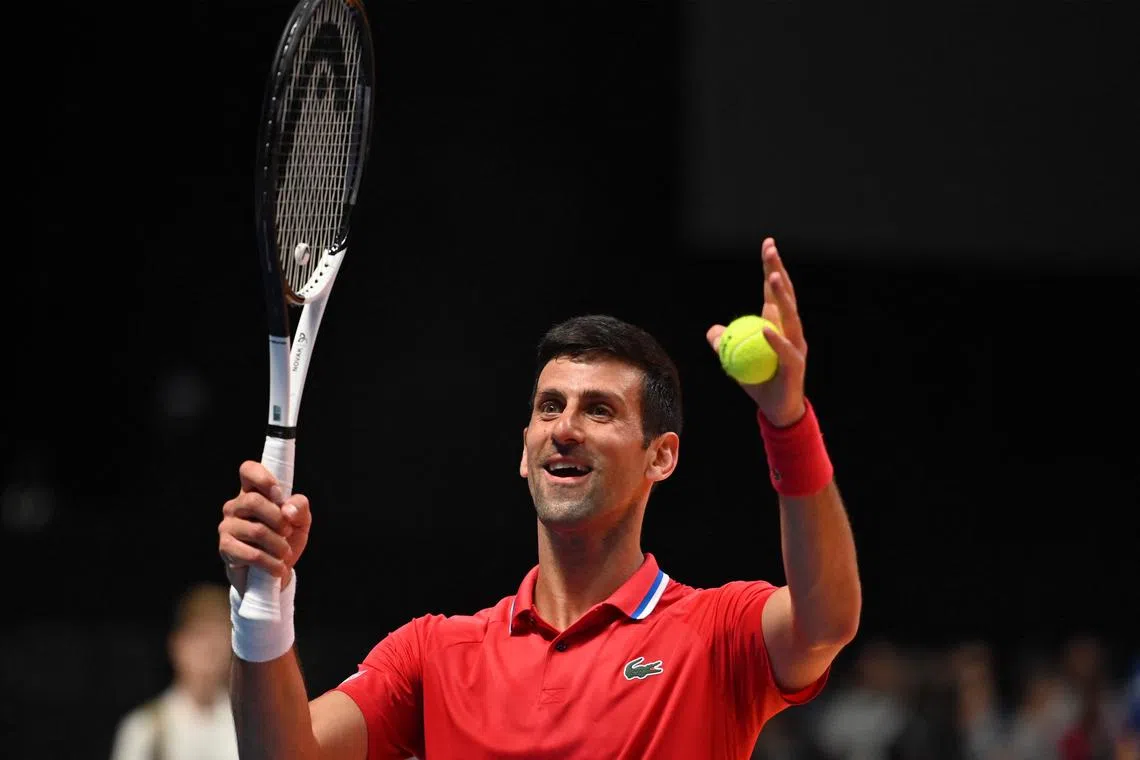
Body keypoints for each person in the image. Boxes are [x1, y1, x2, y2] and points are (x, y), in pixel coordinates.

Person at [217, 237, 863, 759]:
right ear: (524, 452)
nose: (565, 428)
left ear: (660, 456)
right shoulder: (433, 655)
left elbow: (827, 620)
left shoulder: (715, 635)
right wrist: (261, 602)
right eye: (550, 407)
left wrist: (788, 423)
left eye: (599, 410)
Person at [110, 583, 239, 760]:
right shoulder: (146, 728)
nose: (210, 649)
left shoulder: (248, 724)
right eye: (200, 635)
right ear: (177, 644)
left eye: (220, 636)